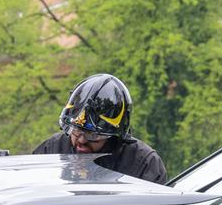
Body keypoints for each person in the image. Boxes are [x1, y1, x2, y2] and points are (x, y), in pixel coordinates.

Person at [34, 73, 167, 183]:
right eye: (77, 131)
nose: (81, 141)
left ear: (114, 136)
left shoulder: (143, 165)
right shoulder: (51, 150)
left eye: (93, 135)